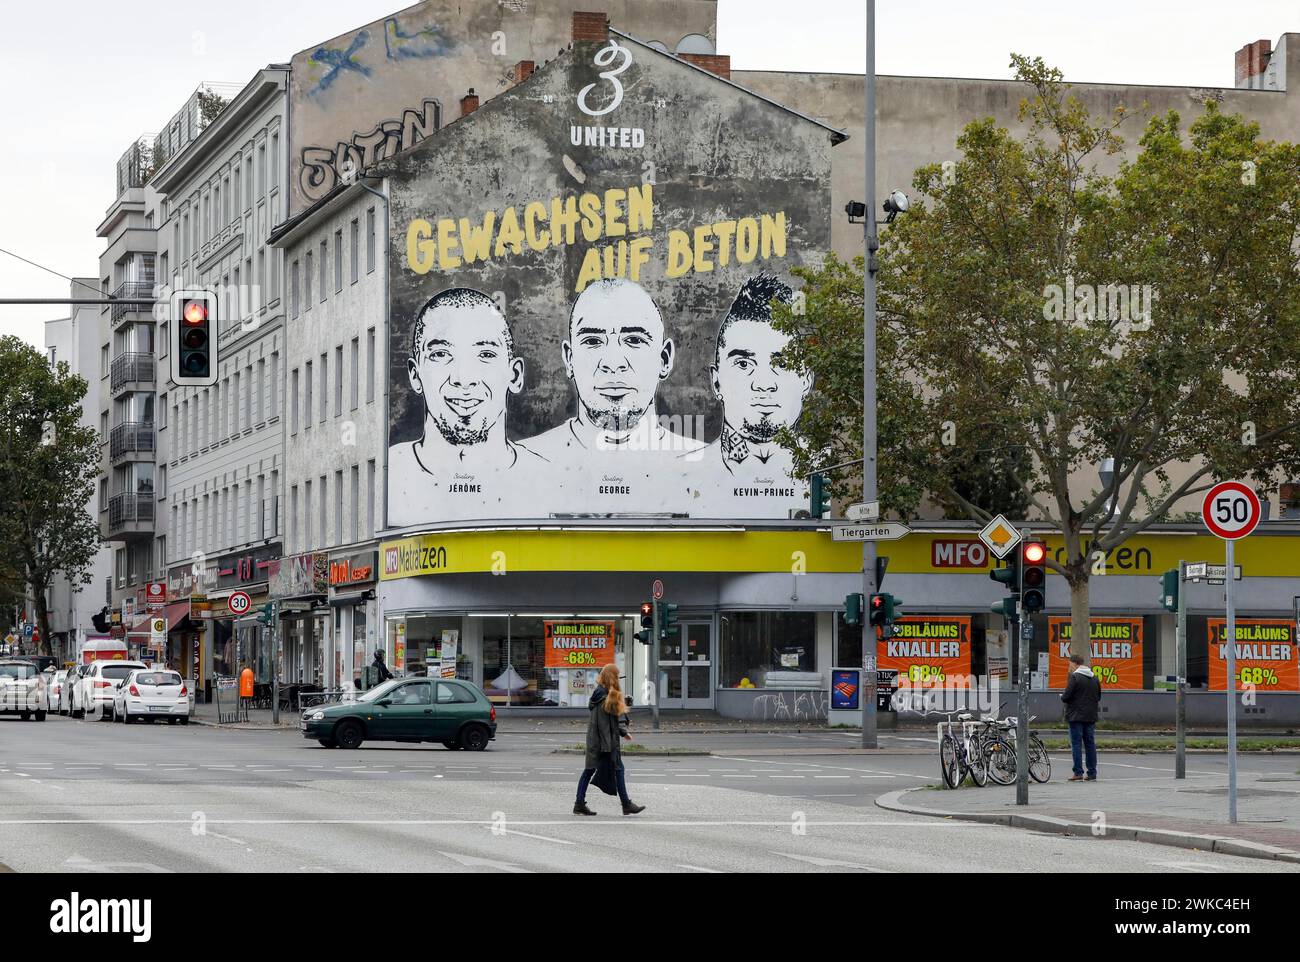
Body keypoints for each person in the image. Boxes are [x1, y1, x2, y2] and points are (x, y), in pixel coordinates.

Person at [388, 288, 545, 525]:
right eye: (441, 354)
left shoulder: (549, 479)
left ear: (514, 375)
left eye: (485, 354)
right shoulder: (389, 473)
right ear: (415, 374)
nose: (463, 377)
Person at [685, 273, 812, 516]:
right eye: (744, 364)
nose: (764, 384)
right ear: (717, 381)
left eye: (782, 363)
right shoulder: (684, 474)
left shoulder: (831, 469)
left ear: (805, 380)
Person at [573, 664, 644, 816]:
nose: (618, 679)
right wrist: (607, 749)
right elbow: (603, 726)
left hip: (600, 742)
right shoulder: (602, 696)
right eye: (617, 676)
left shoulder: (604, 693)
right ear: (612, 677)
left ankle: (580, 803)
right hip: (602, 744)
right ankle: (625, 804)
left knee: (596, 771)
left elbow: (611, 721)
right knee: (597, 770)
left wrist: (622, 732)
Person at [1061, 653, 1101, 781]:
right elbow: (1098, 696)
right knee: (1090, 744)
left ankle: (1078, 773)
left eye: (1070, 664)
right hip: (1090, 716)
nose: (1070, 667)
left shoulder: (1075, 677)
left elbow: (1066, 696)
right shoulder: (1095, 677)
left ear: (1074, 663)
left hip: (1076, 716)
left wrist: (1062, 696)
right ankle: (1092, 773)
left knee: (1076, 744)